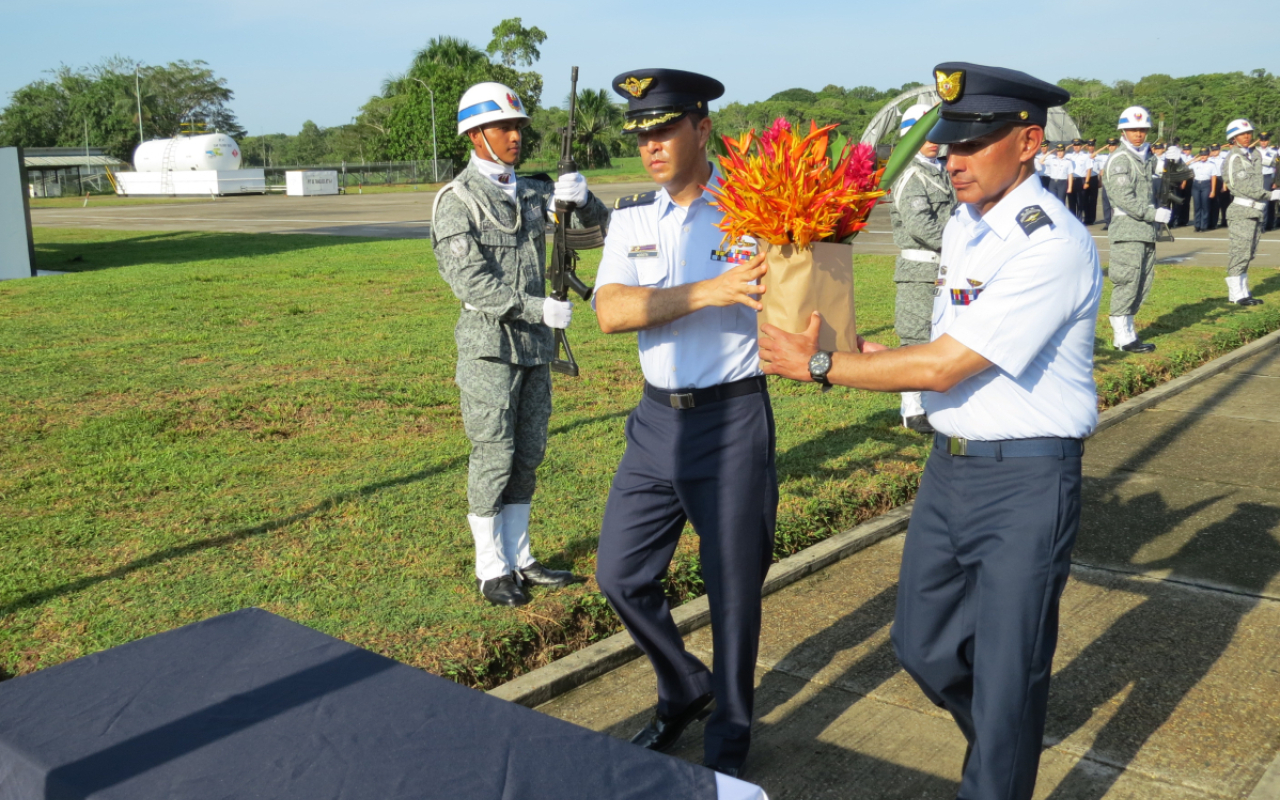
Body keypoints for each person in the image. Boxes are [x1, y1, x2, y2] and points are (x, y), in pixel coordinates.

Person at [757, 62, 1102, 800]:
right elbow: (948, 349)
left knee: (1008, 675)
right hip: (951, 471)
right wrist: (869, 357)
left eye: (973, 144)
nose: (952, 158)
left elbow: (947, 366)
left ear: (1029, 142)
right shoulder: (964, 225)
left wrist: (820, 366)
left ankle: (1000, 763)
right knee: (920, 645)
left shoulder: (1050, 243)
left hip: (1025, 481)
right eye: (948, 143)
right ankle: (1005, 746)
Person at [592, 68, 777, 779]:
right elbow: (611, 312)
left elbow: (792, 296)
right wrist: (708, 291)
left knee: (732, 590)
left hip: (730, 418)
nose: (651, 147)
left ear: (703, 128)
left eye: (665, 129)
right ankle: (683, 684)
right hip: (654, 419)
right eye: (641, 135)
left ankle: (728, 744)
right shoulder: (634, 215)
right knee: (620, 573)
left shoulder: (755, 208)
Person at [431, 81, 609, 607]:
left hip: (536, 346)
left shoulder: (532, 191)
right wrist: (537, 309)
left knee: (529, 453)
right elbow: (471, 282)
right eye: (505, 127)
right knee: (495, 453)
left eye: (519, 127)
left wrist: (583, 197)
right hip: (491, 345)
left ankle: (521, 558)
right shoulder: (456, 201)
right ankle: (491, 568)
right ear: (476, 133)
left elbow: (602, 232)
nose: (515, 136)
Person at [890, 102, 957, 433]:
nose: (932, 140)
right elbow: (921, 226)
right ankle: (912, 408)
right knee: (915, 340)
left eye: (934, 133)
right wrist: (959, 243)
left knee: (939, 337)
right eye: (923, 134)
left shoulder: (938, 170)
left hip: (943, 267)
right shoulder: (911, 173)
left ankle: (932, 403)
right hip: (919, 269)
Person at [1102, 105, 1167, 353]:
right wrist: (1153, 213)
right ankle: (1122, 338)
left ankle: (1129, 333)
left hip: (1145, 230)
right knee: (1127, 281)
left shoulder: (1145, 157)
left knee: (1143, 282)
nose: (1138, 134)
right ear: (1123, 132)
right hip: (1128, 230)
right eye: (1133, 130)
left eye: (1142, 130)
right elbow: (1123, 198)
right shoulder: (1120, 159)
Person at [1223, 118, 1274, 305]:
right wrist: (1270, 195)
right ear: (1233, 138)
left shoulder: (1255, 155)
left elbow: (1273, 164)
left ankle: (1244, 291)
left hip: (1256, 210)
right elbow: (1242, 187)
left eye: (1248, 133)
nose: (1246, 137)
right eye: (1241, 134)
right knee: (1240, 252)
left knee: (1249, 253)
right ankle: (1236, 294)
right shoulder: (1234, 159)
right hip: (1242, 210)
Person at [1189, 147, 1217, 232]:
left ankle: (1203, 226)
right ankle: (1197, 225)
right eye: (1202, 155)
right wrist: (1194, 160)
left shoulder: (1211, 164)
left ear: (1208, 155)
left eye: (1205, 155)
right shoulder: (1195, 164)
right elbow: (1184, 166)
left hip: (1206, 184)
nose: (1203, 156)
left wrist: (1213, 190)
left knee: (1205, 205)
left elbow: (1213, 177)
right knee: (1197, 206)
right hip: (1196, 184)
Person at [1097, 137, 1119, 229]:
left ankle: (1115, 222)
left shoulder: (1119, 157)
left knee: (1115, 203)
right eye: (1109, 145)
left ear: (1117, 146)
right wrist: (1103, 147)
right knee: (1106, 203)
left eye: (1112, 145)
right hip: (1106, 183)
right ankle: (1107, 222)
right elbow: (1092, 156)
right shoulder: (1104, 156)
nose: (1110, 147)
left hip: (1115, 182)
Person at [1066, 138, 1090, 219]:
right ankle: (1073, 219)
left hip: (1081, 180)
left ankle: (1079, 219)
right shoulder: (1069, 156)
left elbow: (1089, 169)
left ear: (1081, 146)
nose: (1076, 147)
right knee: (1071, 201)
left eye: (1077, 145)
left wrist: (1087, 182)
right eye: (1074, 145)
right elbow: (1062, 151)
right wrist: (1069, 146)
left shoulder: (1086, 156)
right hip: (1070, 180)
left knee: (1080, 201)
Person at [1259, 132, 1277, 231]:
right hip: (1258, 177)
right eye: (1262, 140)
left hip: (1268, 177)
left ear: (1268, 141)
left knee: (1267, 202)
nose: (1263, 142)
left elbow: (1277, 167)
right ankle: (1264, 224)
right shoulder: (1255, 152)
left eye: (1265, 140)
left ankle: (1265, 225)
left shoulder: (1274, 152)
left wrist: (1275, 181)